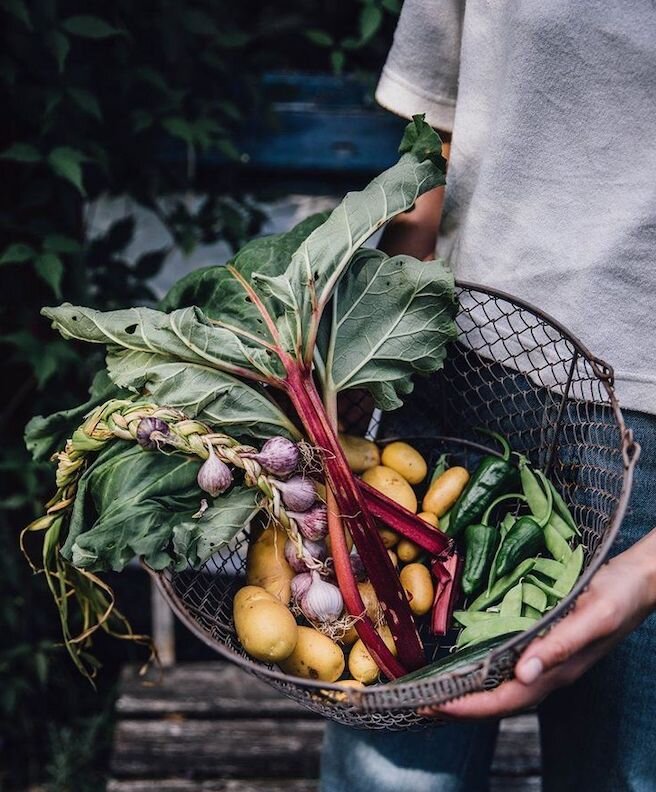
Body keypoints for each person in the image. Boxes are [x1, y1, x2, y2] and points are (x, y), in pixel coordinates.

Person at [320, 1, 656, 790]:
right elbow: (434, 140)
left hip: (646, 449)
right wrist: (369, 352)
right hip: (452, 382)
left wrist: (645, 573)